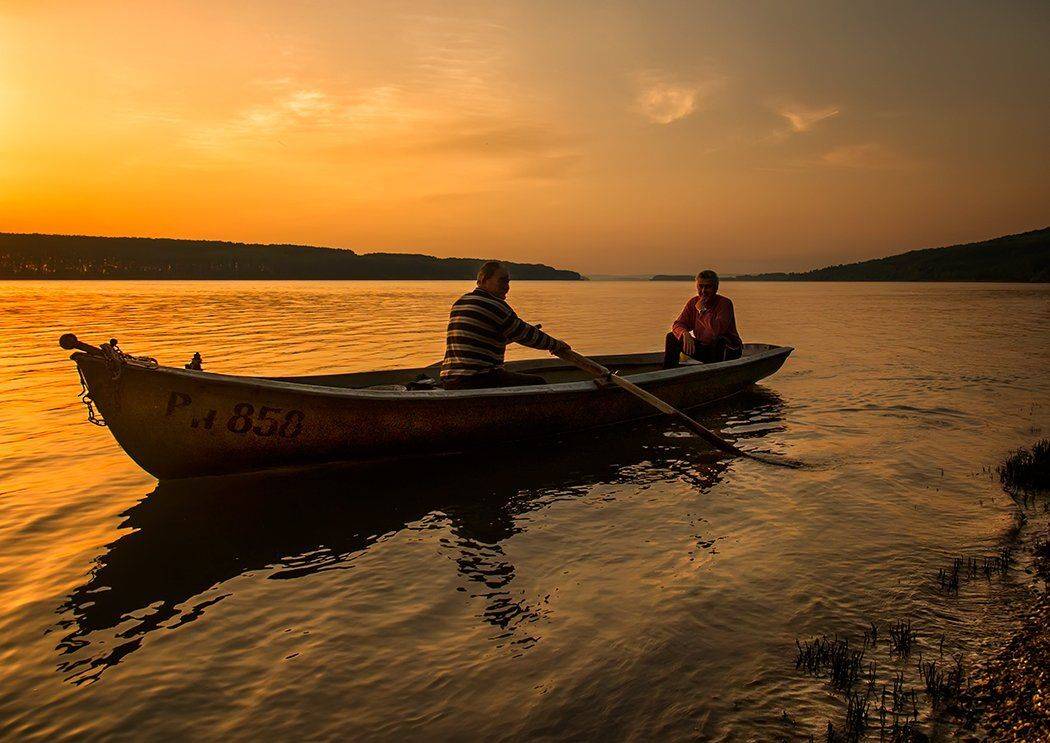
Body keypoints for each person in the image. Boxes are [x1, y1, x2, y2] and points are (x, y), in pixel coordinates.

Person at [441, 261, 571, 389]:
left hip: (449, 379)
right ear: (485, 280)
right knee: (538, 383)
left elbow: (481, 340)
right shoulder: (495, 305)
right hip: (477, 378)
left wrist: (513, 335)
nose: (507, 286)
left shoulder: (460, 302)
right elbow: (527, 335)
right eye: (502, 280)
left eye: (508, 281)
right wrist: (557, 345)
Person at [663, 269, 742, 368]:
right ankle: (669, 372)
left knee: (719, 341)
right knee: (672, 337)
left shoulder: (725, 304)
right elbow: (678, 324)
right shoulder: (693, 303)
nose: (703, 291)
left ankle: (715, 373)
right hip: (705, 348)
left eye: (708, 287)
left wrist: (702, 311)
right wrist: (684, 333)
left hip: (728, 350)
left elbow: (715, 331)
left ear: (716, 288)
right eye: (701, 286)